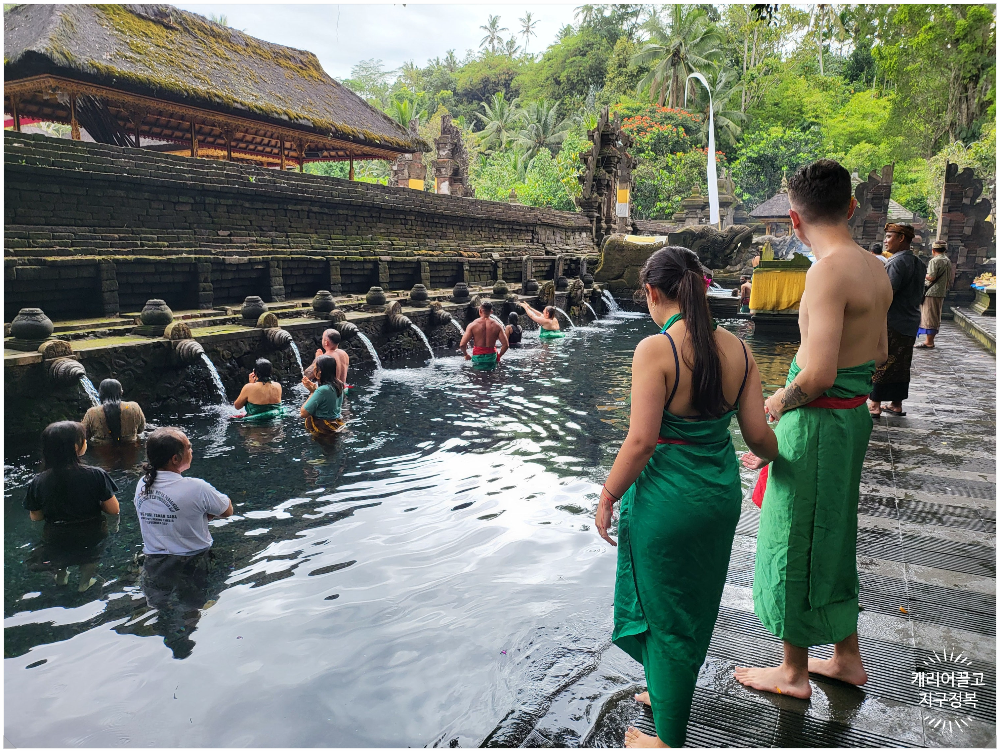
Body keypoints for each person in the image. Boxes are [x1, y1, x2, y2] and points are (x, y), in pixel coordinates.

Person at [595, 246, 779, 748]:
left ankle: (668, 740)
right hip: (718, 495)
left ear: (653, 293)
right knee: (694, 604)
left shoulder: (656, 349)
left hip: (667, 500)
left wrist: (609, 493)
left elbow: (641, 441)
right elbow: (759, 438)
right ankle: (668, 689)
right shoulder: (739, 350)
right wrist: (781, 456)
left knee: (665, 613)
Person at [737, 160, 892, 701]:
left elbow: (819, 372)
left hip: (819, 421)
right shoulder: (876, 268)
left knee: (795, 539)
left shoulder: (827, 272)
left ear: (793, 221)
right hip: (850, 419)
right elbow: (880, 355)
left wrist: (774, 404)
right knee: (832, 534)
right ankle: (846, 657)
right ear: (851, 206)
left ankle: (793, 672)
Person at [134, 428, 232, 657]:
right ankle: (181, 631)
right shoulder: (196, 487)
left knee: (161, 605)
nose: (192, 449)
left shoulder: (142, 484)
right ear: (175, 459)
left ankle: (173, 632)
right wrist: (203, 515)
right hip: (195, 562)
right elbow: (227, 510)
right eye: (188, 447)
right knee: (194, 604)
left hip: (154, 563)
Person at [24, 421, 120, 591]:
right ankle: (84, 583)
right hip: (91, 530)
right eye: (84, 439)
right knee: (90, 557)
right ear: (77, 446)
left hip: (55, 533)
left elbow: (36, 517)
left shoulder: (37, 481)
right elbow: (114, 510)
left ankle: (61, 578)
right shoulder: (96, 474)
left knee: (59, 557)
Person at [868, 222, 925, 417]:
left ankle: (874, 404)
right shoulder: (919, 263)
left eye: (889, 236)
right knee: (901, 364)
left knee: (884, 360)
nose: (885, 240)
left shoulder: (896, 262)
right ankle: (896, 403)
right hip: (910, 321)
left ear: (902, 238)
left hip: (893, 321)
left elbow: (887, 294)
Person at [82, 379, 146, 443]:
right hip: (131, 450)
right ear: (121, 392)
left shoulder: (92, 412)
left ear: (100, 394)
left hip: (102, 450)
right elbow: (141, 429)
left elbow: (83, 435)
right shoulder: (134, 407)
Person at [917, 240, 953, 349]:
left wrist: (922, 274)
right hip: (940, 291)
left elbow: (931, 277)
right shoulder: (947, 260)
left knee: (929, 316)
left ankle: (929, 341)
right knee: (935, 316)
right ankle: (930, 340)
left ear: (933, 250)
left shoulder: (935, 261)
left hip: (931, 292)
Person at [300, 355, 346, 437]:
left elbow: (303, 413)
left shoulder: (322, 390)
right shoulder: (338, 384)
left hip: (323, 428)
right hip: (335, 423)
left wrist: (312, 392)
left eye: (315, 369)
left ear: (319, 372)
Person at [459, 301, 509, 370]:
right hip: (492, 357)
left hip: (478, 357)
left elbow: (462, 345)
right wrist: (499, 356)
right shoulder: (497, 325)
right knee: (492, 377)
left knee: (477, 377)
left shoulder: (472, 325)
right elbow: (506, 345)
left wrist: (466, 355)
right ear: (491, 312)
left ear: (480, 311)